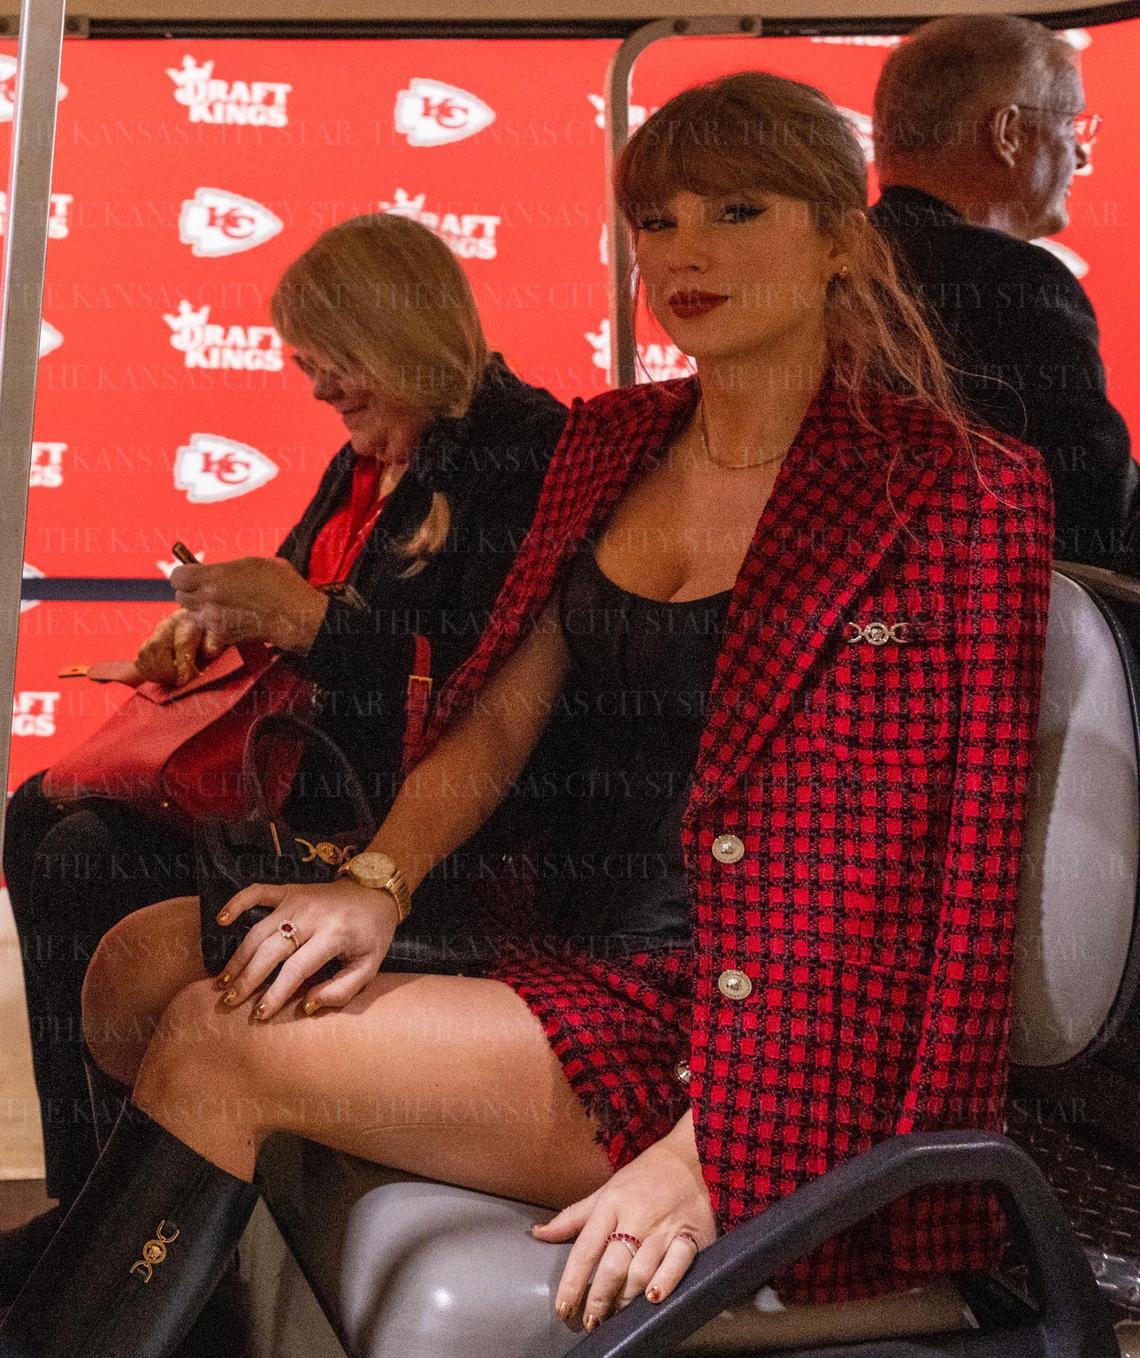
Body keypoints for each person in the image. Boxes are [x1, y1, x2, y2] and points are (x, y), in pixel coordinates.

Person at [0, 71, 1052, 1357]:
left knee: (229, 1041)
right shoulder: (613, 442)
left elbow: (911, 863)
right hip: (577, 956)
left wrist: (719, 1141)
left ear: (841, 237)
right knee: (135, 967)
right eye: (656, 221)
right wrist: (378, 878)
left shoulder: (951, 490)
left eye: (736, 210)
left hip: (763, 1034)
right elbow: (497, 719)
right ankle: (162, 1305)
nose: (684, 253)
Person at [0, 212, 567, 1293]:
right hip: (314, 792)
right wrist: (215, 632)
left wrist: (303, 616)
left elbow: (486, 689)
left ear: (395, 328)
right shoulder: (375, 459)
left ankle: (138, 1242)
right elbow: (317, 628)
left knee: (84, 855)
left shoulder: (522, 450)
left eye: (331, 359)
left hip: (412, 838)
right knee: (41, 812)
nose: (318, 389)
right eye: (309, 364)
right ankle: (95, 1207)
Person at [869, 13, 1136, 572]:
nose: (1081, 156)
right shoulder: (1015, 281)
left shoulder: (827, 264)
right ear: (1008, 132)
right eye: (1071, 125)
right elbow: (1092, 513)